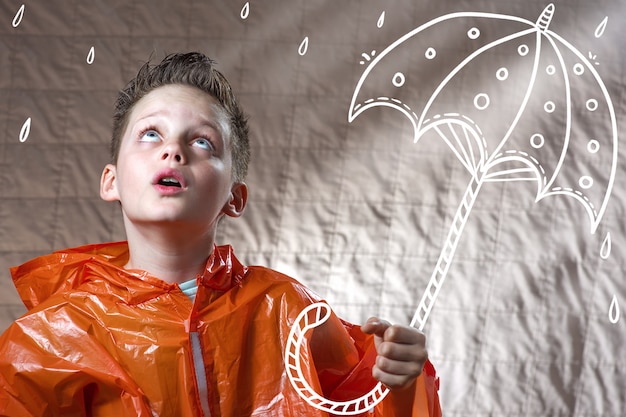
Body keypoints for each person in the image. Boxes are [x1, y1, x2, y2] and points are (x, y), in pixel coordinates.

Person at [0, 52, 440, 416]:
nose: (174, 149)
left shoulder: (286, 309)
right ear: (111, 181)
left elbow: (360, 403)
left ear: (234, 197)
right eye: (151, 134)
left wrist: (400, 386)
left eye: (204, 142)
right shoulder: (56, 335)